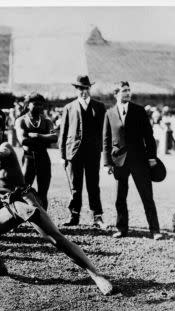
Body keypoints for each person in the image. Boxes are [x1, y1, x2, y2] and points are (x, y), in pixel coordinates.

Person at [0, 115, 113, 296]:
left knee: (55, 238)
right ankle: (0, 267)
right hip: (9, 207)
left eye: (0, 132)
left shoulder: (4, 149)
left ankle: (96, 274)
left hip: (25, 200)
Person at [103, 81, 162, 240]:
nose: (128, 93)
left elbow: (149, 136)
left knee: (147, 196)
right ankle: (121, 229)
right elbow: (106, 139)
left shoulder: (139, 111)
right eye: (124, 91)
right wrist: (107, 162)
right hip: (119, 162)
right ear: (116, 93)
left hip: (140, 160)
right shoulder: (109, 113)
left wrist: (151, 157)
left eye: (129, 90)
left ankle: (155, 230)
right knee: (119, 197)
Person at [59, 75, 106, 228]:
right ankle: (74, 216)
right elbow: (63, 133)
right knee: (75, 186)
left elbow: (104, 132)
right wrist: (62, 155)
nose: (83, 92)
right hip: (73, 153)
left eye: (86, 88)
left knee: (93, 185)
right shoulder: (69, 107)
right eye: (80, 89)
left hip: (93, 153)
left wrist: (103, 151)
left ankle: (97, 217)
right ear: (76, 89)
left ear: (89, 89)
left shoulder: (99, 107)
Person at [15, 93, 57, 210]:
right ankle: (20, 220)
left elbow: (54, 138)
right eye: (35, 104)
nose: (39, 106)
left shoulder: (46, 121)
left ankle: (44, 222)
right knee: (23, 191)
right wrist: (44, 138)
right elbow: (23, 140)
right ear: (28, 105)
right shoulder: (21, 120)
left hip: (43, 158)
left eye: (41, 104)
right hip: (29, 158)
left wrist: (37, 135)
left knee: (43, 192)